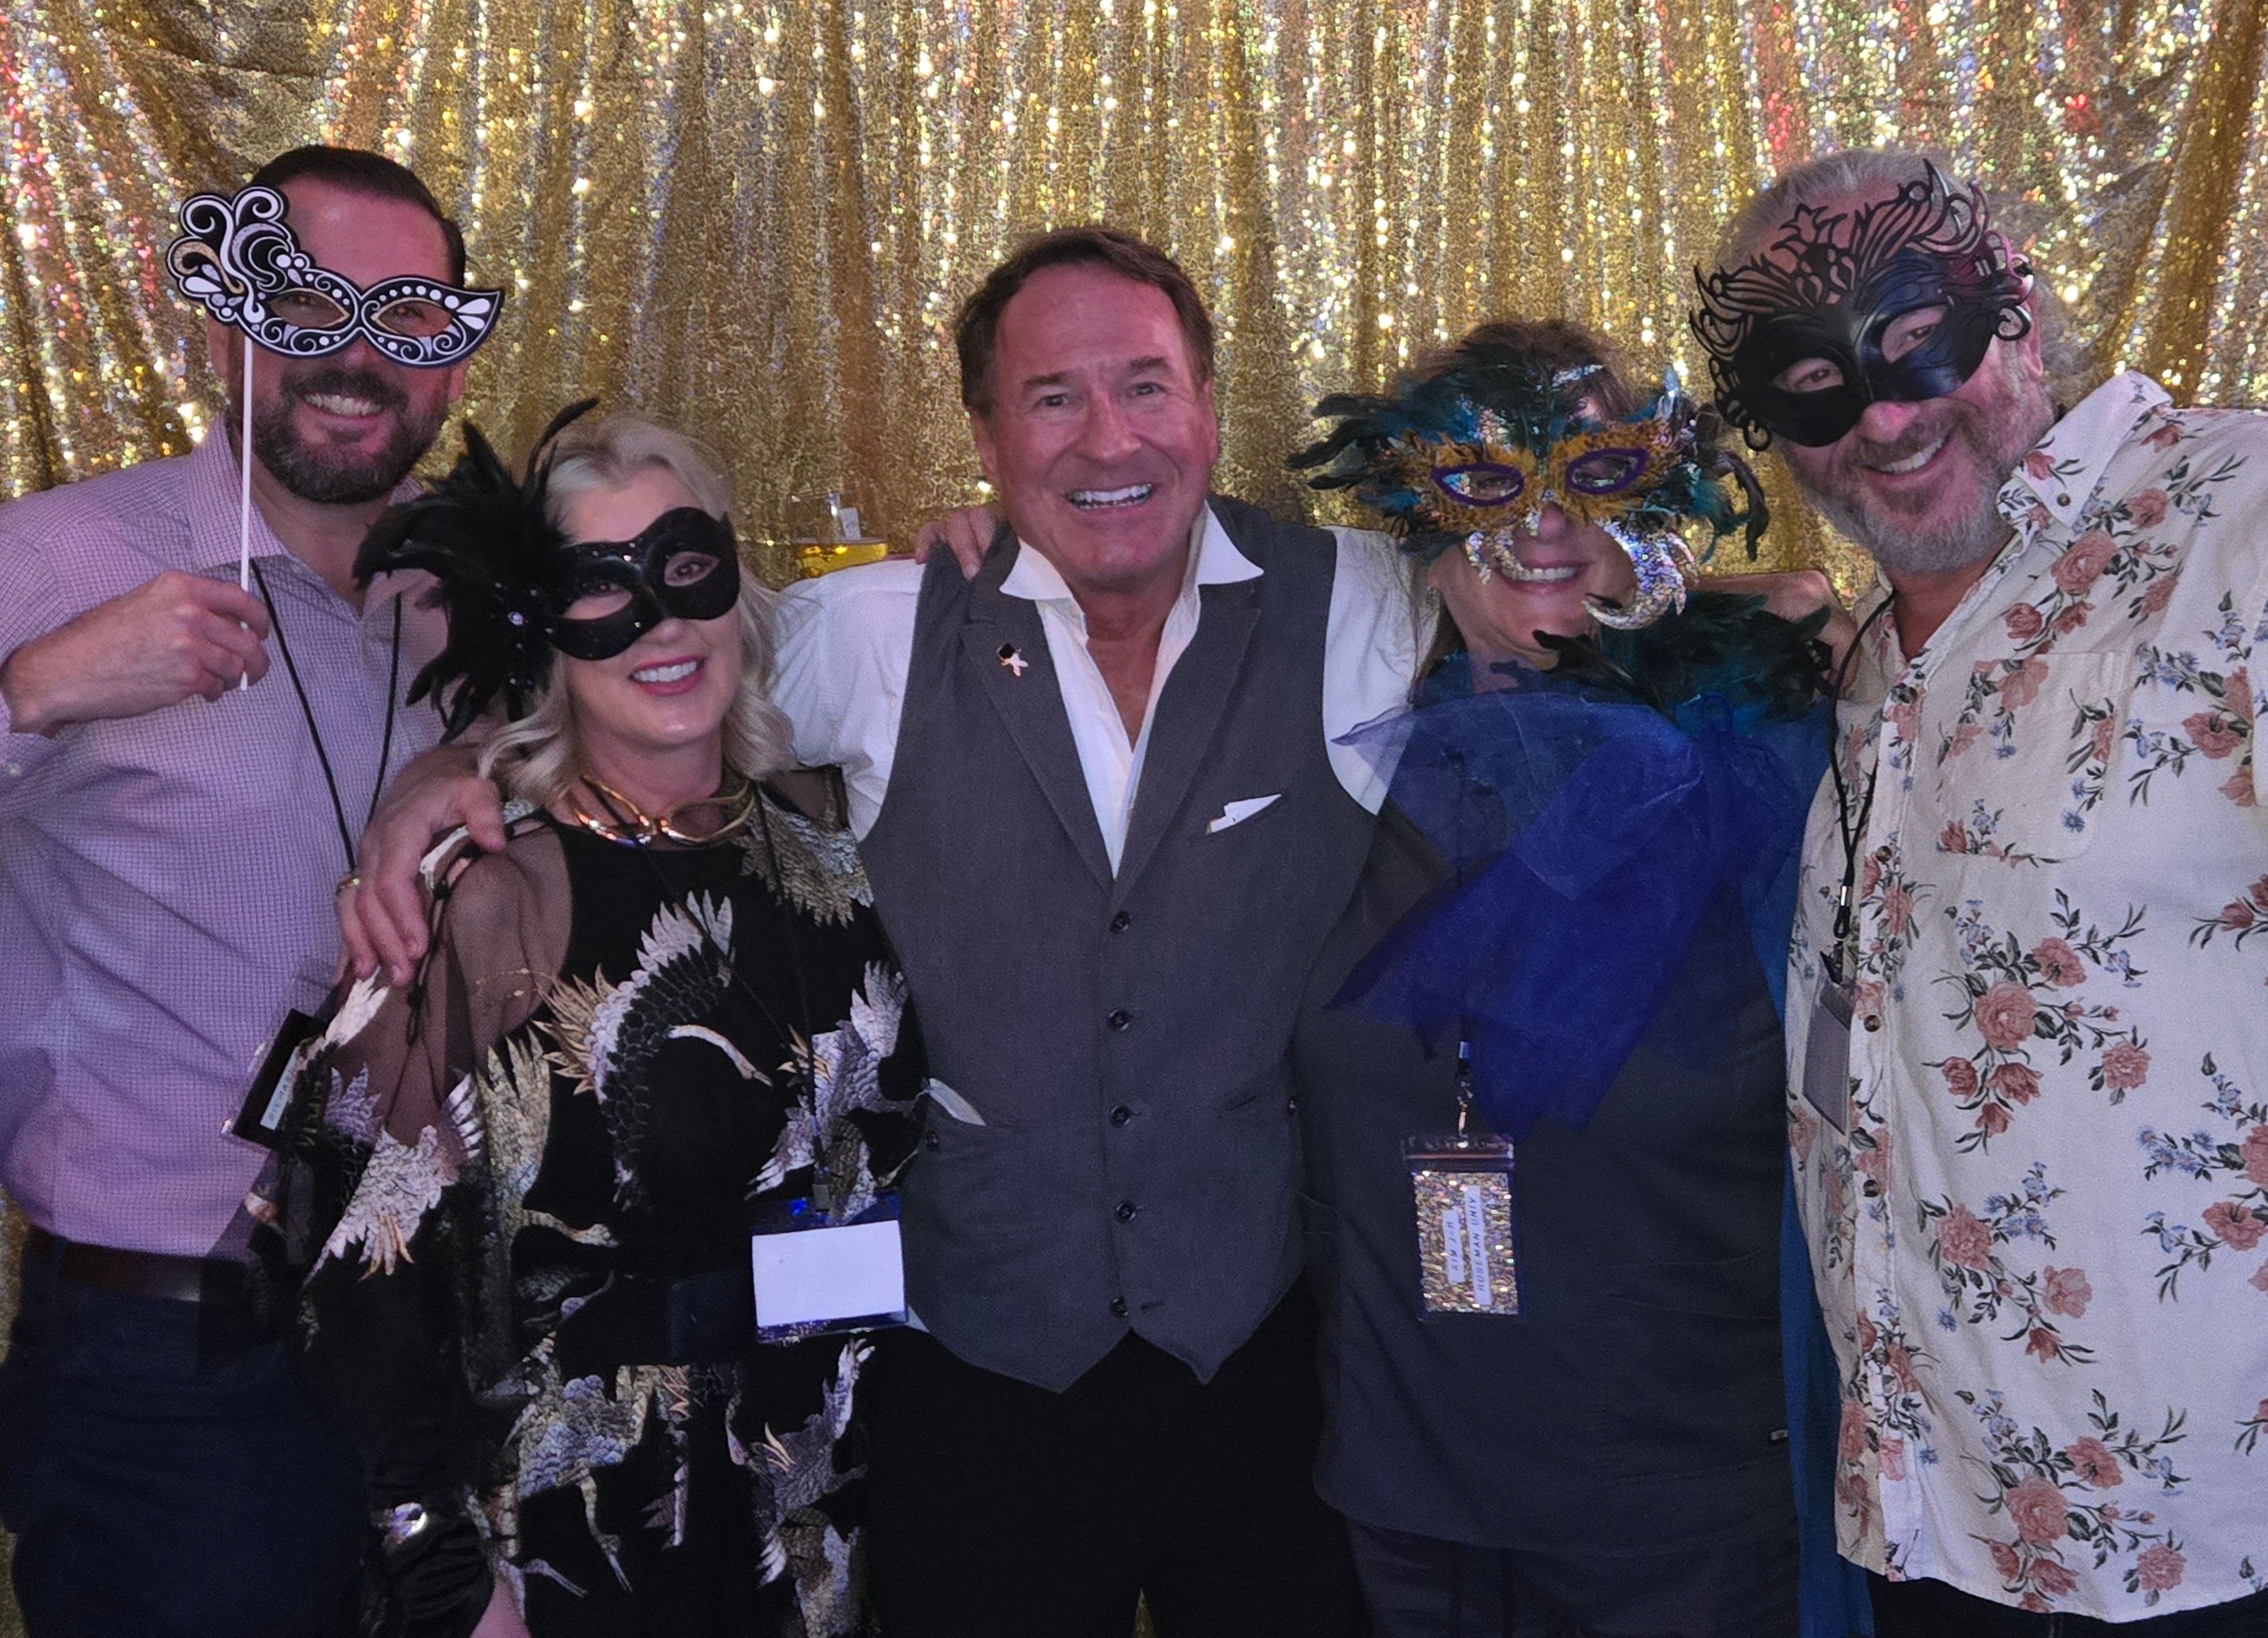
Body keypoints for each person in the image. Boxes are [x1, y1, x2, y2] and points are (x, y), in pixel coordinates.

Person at [344, 224, 1427, 1635]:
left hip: (1263, 1369)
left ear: (1210, 404)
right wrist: (444, 777)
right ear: (984, 430)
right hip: (969, 1384)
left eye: (1147, 384)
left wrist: (1765, 615)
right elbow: (642, 663)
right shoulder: (870, 629)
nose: (1109, 435)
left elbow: (1558, 620)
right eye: (1052, 397)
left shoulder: (1357, 605)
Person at [1693, 149, 2268, 1632]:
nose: (1882, 417)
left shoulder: (2235, 525)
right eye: (1809, 383)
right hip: (1931, 1520)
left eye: (1913, 337)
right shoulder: (1881, 655)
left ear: (2011, 300)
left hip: (2206, 1544)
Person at [255, 406, 920, 1638]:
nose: (658, 623)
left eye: (682, 568)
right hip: (567, 1524)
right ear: (542, 634)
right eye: (596, 589)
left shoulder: (828, 853)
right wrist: (448, 1572)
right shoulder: (486, 892)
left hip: (805, 1502)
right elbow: (349, 1264)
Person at [1285, 320, 1842, 1637]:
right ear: (1408, 509)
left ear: (1671, 496)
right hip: (1412, 1510)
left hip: (1688, 1524)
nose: (1544, 524)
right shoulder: (1340, 749)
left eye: (1597, 473)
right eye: (1484, 480)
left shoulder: (1788, 761)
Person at [0, 145, 485, 1637]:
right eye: (302, 303)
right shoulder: (58, 556)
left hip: (436, 1339)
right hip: (168, 1363)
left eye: (403, 320)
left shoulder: (466, 597)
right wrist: (36, 686)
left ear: (450, 370)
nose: (351, 355)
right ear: (226, 324)